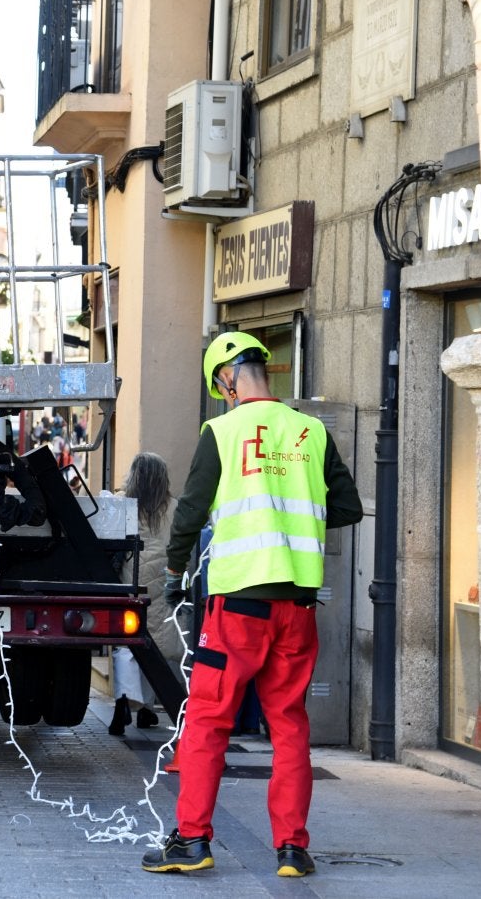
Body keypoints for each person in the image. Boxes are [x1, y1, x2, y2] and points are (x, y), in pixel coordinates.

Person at [141, 332, 362, 879]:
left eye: (221, 386)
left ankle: (192, 840)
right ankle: (292, 849)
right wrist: (294, 522)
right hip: (298, 607)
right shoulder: (311, 431)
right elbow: (349, 506)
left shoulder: (222, 430)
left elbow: (189, 513)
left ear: (226, 378)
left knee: (209, 722)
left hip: (238, 607)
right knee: (289, 725)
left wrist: (173, 573)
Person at [109, 452, 179, 735]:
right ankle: (147, 708)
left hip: (131, 576)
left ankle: (124, 700)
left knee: (126, 640)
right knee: (155, 641)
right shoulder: (174, 507)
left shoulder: (122, 503)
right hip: (162, 578)